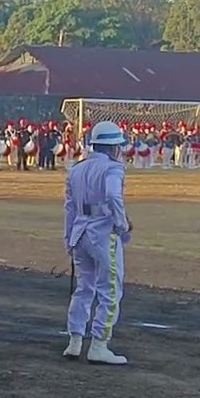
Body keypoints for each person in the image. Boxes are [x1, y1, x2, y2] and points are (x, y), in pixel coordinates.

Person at [62, 120, 131, 366]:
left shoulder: (77, 168)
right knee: (110, 289)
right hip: (102, 233)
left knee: (84, 288)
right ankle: (99, 344)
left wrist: (67, 236)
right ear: (114, 147)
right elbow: (113, 195)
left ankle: (75, 340)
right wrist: (122, 224)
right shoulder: (113, 168)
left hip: (79, 231)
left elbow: (69, 206)